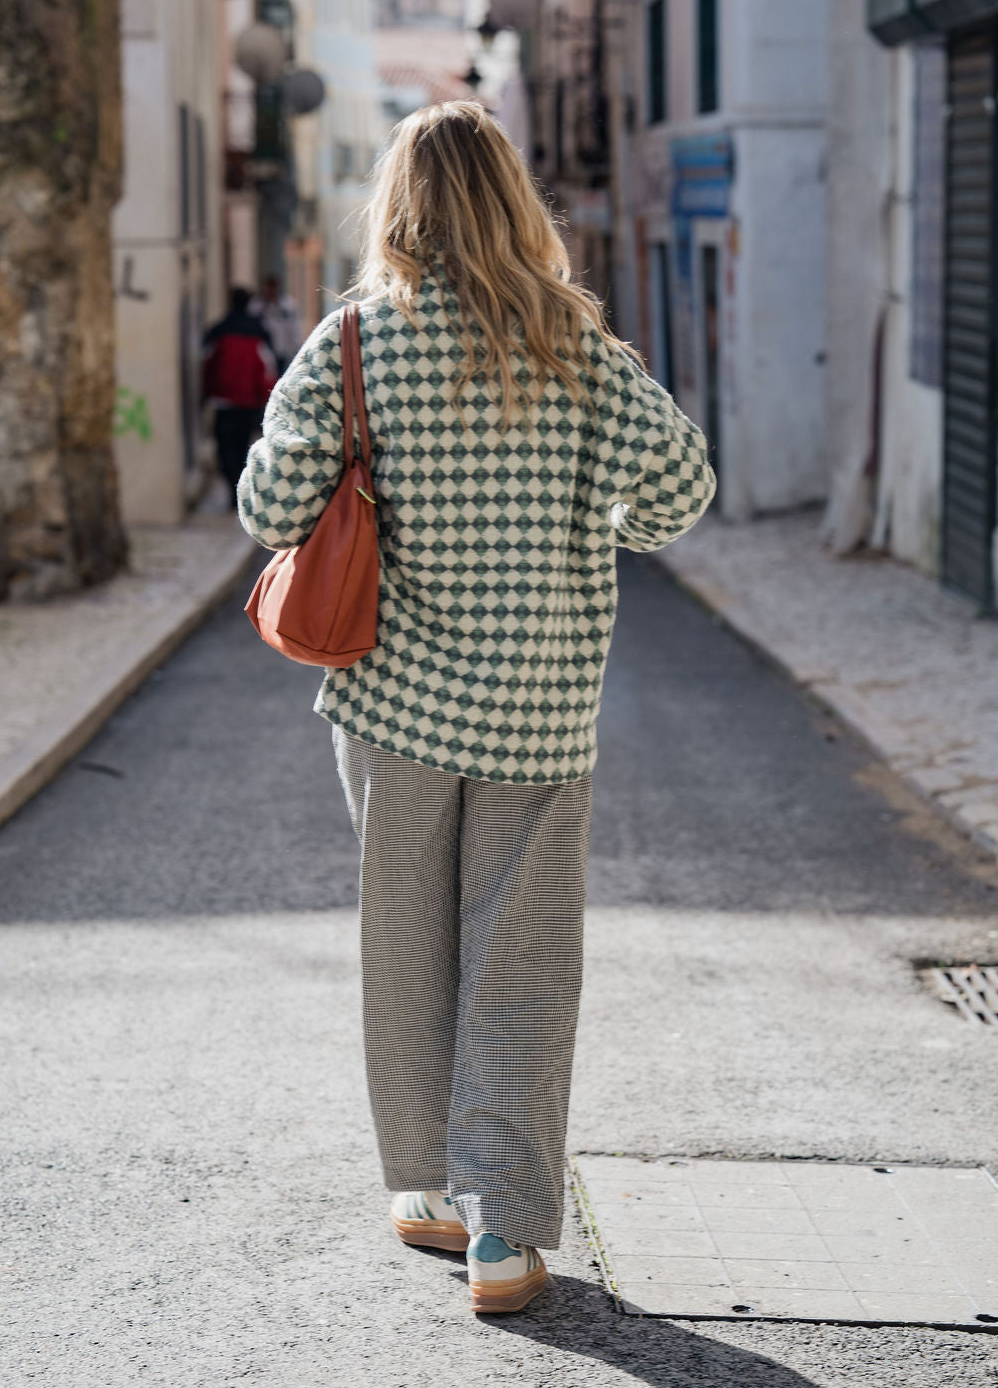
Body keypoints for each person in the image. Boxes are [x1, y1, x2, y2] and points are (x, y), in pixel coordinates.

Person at [237, 102, 716, 1314]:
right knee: (523, 959)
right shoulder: (577, 346)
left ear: (399, 207)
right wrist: (588, 523)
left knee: (402, 934)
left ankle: (425, 1190)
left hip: (392, 703)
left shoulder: (355, 344)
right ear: (513, 202)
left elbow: (269, 505)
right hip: (541, 708)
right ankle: (505, 1238)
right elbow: (677, 491)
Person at [202, 288, 276, 510]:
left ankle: (233, 492)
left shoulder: (218, 330)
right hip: (248, 403)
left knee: (225, 449)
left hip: (223, 402)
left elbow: (207, 367)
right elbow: (268, 370)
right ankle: (239, 493)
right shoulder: (259, 332)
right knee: (243, 448)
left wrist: (205, 395)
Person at [249, 273, 303, 377]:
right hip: (263, 352)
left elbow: (295, 329)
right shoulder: (255, 306)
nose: (270, 292)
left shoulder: (288, 305)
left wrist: (297, 349)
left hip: (282, 352)